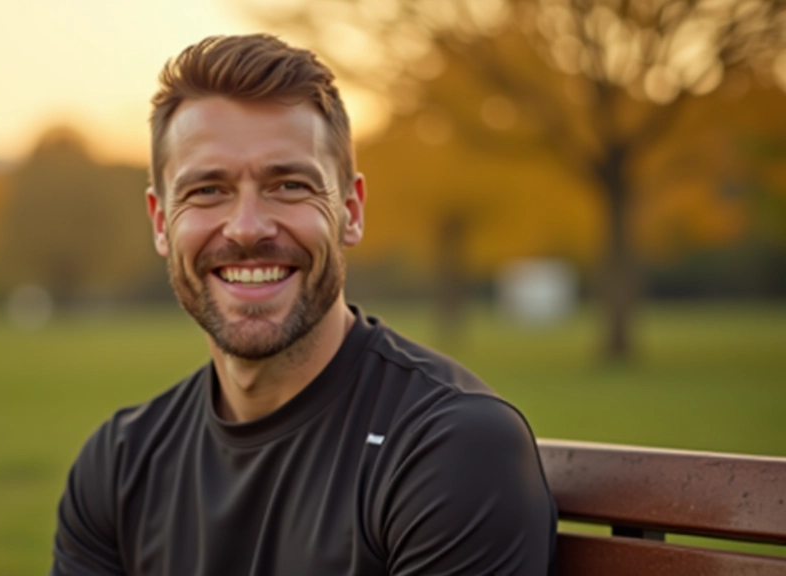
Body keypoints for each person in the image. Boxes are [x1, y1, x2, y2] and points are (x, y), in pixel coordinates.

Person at [51, 34, 556, 576]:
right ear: (159, 222)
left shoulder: (449, 448)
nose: (247, 228)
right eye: (207, 191)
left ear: (351, 211)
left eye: (289, 185)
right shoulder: (119, 464)